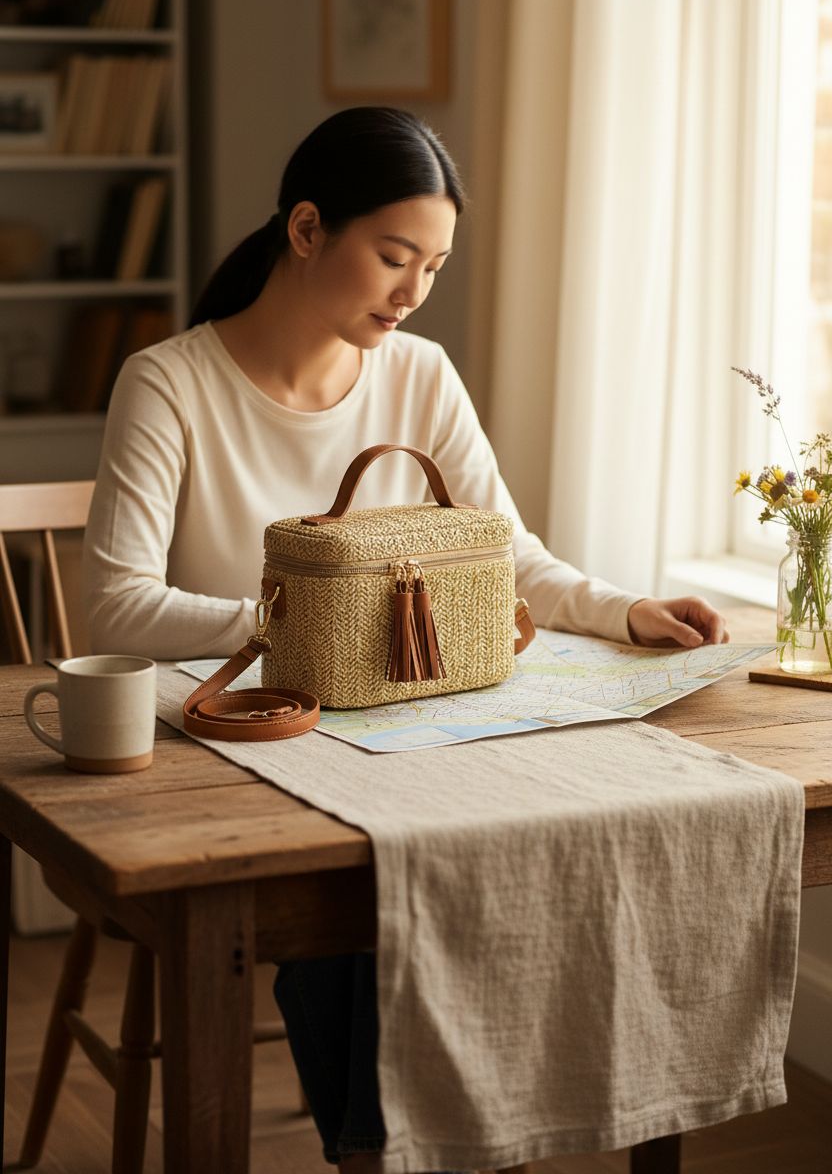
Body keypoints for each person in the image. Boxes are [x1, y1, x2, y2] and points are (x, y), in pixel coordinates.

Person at [83, 106, 728, 1173]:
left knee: (551, 837)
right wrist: (310, 631)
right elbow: (115, 606)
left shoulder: (419, 373)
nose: (414, 291)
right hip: (258, 734)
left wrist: (623, 611)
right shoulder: (169, 382)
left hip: (406, 721)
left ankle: (478, 1129)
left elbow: (504, 553)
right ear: (304, 230)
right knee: (373, 882)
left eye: (431, 265)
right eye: (393, 257)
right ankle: (383, 1149)